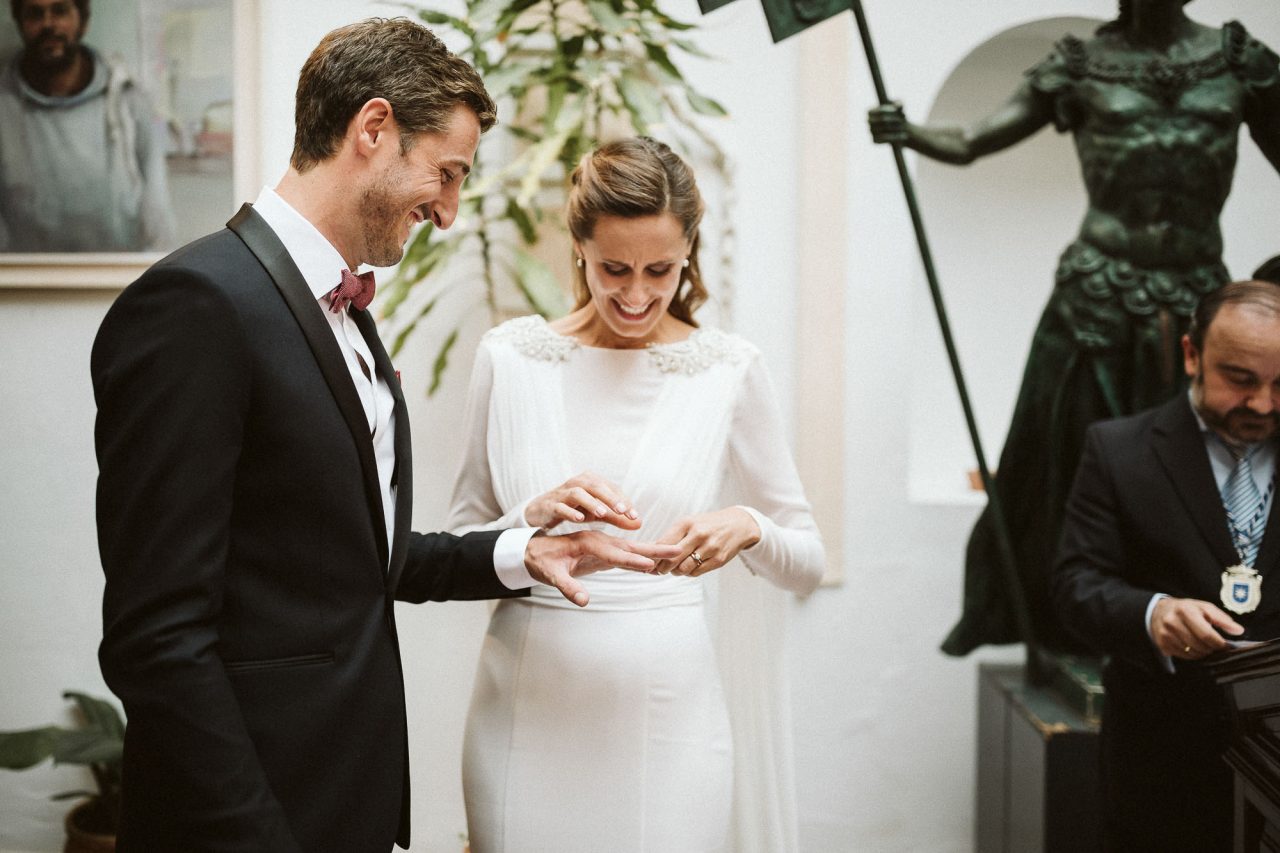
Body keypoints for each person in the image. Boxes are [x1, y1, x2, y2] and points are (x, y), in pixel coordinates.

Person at [92, 20, 678, 853]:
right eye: (447, 173)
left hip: (347, 798)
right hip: (246, 818)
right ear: (374, 129)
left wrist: (520, 549)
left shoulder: (347, 315)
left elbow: (356, 561)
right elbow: (158, 640)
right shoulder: (197, 305)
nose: (447, 211)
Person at [446, 136, 825, 852]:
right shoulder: (510, 358)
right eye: (614, 269)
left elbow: (805, 558)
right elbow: (457, 544)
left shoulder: (727, 371)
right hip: (526, 707)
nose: (637, 293)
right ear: (579, 248)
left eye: (661, 269)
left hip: (669, 719)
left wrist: (748, 523)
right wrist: (529, 521)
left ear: (688, 255)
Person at [869, 0, 1280, 656]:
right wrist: (910, 132)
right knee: (1062, 454)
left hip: (1199, 290)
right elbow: (975, 138)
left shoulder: (1237, 60)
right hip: (1099, 290)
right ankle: (1071, 627)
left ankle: (1201, 621)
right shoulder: (1081, 63)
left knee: (1202, 471)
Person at [1052, 279, 1280, 852]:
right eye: (1241, 380)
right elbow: (1074, 585)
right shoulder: (1118, 450)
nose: (1263, 405)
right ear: (1191, 355)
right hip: (1160, 767)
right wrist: (1153, 615)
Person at [0, 0, 175, 252]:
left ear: (83, 21)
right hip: (28, 285)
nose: (48, 24)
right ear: (20, 23)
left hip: (117, 281)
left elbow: (158, 214)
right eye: (35, 14)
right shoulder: (5, 106)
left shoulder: (127, 100)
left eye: (60, 11)